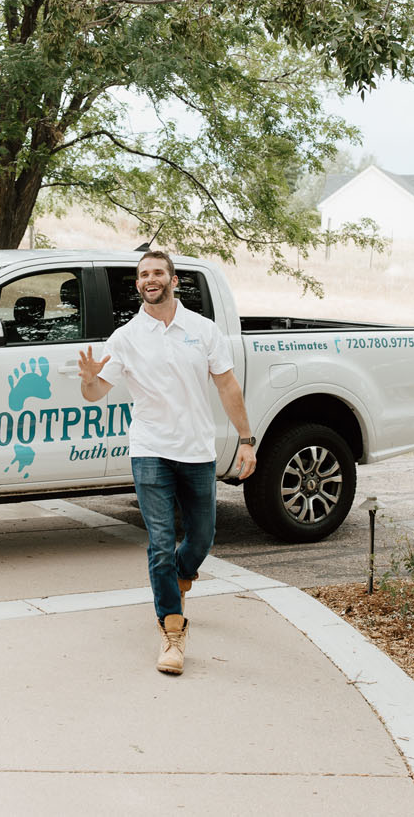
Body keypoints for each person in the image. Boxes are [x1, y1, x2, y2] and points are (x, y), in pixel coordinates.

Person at [77, 250, 256, 675]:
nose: (150, 279)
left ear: (174, 281)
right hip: (150, 448)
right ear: (138, 284)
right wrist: (87, 380)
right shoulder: (125, 338)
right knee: (159, 542)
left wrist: (247, 440)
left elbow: (227, 385)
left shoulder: (203, 330)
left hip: (196, 449)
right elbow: (95, 393)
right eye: (143, 275)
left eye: (158, 272)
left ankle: (181, 573)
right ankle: (172, 633)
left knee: (202, 536)